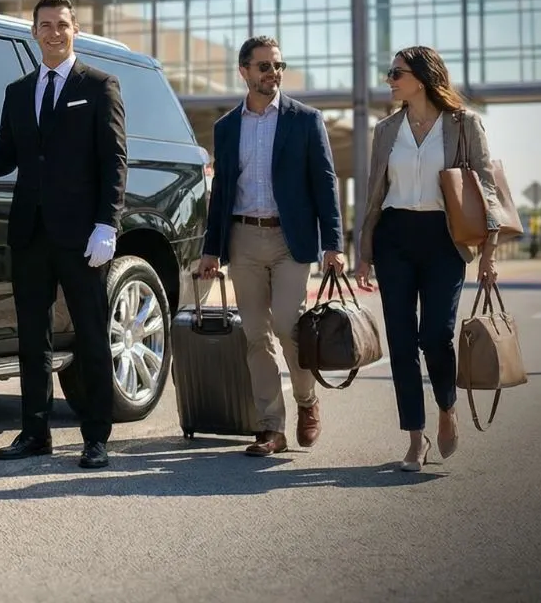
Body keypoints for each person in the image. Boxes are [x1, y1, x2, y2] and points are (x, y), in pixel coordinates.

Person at [0, 0, 127, 470]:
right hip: (30, 233)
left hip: (82, 236)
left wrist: (107, 225)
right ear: (32, 32)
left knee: (91, 335)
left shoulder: (99, 86)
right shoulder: (19, 91)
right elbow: (5, 155)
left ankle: (95, 436)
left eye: (62, 24)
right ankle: (35, 432)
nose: (54, 32)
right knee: (33, 338)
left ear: (75, 30)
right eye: (45, 25)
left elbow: (114, 160)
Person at [355, 46, 504, 471]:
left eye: (395, 73)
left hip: (444, 238)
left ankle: (446, 406)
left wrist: (489, 255)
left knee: (435, 336)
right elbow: (374, 195)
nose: (389, 79)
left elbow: (486, 189)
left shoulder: (463, 124)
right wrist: (364, 253)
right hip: (395, 237)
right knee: (401, 342)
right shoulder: (386, 129)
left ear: (419, 78)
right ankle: (415, 438)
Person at [195, 35, 346, 457]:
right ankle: (270, 427)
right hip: (243, 238)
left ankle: (307, 401)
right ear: (244, 71)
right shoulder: (227, 127)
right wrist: (212, 249)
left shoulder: (306, 120)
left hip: (290, 239)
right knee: (256, 336)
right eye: (264, 66)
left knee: (287, 326)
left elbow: (325, 183)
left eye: (278, 65)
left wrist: (333, 243)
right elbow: (222, 191)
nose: (273, 73)